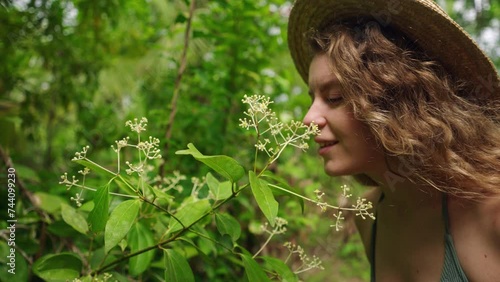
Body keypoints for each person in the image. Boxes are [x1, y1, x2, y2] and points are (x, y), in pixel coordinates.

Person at [287, 0, 500, 281]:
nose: (309, 118)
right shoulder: (369, 219)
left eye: (334, 98)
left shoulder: (490, 212)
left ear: (396, 103)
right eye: (312, 99)